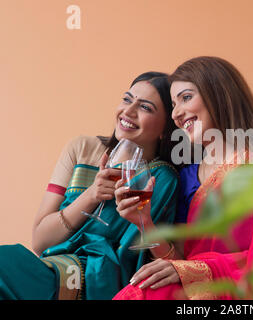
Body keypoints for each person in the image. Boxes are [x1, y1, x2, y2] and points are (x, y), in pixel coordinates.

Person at [113, 57, 253, 300]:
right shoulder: (188, 175)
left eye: (186, 97)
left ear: (219, 94)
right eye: (173, 105)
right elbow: (179, 264)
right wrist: (144, 222)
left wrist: (204, 270)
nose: (177, 114)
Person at [0, 72, 179, 300]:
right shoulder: (83, 149)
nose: (129, 111)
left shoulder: (161, 178)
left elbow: (151, 261)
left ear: (166, 128)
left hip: (100, 283)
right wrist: (92, 195)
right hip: (51, 269)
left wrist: (141, 220)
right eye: (127, 99)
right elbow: (40, 241)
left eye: (145, 107)